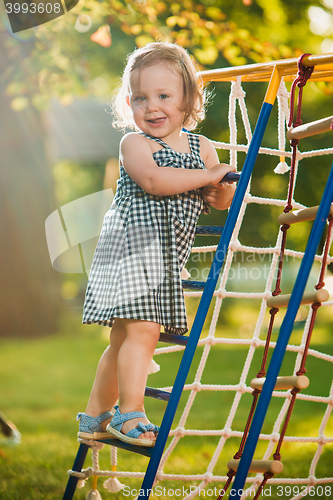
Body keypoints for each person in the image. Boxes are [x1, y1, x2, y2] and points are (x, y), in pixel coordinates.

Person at [77, 42, 236, 447]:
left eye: (163, 96)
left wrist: (220, 188)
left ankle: (95, 415)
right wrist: (207, 176)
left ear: (187, 99)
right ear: (129, 103)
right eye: (140, 98)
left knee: (123, 338)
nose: (151, 107)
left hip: (164, 258)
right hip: (131, 248)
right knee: (145, 331)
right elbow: (155, 181)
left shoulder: (202, 149)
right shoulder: (136, 145)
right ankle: (131, 412)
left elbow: (216, 199)